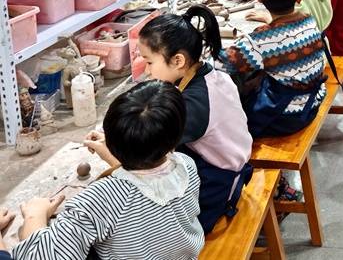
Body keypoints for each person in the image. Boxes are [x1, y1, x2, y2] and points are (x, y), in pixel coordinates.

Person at [12, 82, 205, 260]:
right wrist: (121, 155)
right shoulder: (186, 166)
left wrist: (35, 215)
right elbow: (148, 184)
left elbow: (42, 256)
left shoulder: (101, 199)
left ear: (111, 138)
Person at [138, 5, 253, 234]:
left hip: (217, 186)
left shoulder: (193, 105)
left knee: (145, 225)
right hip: (231, 164)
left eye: (149, 62)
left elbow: (148, 150)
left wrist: (111, 153)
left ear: (178, 60)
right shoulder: (213, 74)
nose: (147, 71)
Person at [222, 0, 328, 137]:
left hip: (284, 117)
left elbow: (221, 63)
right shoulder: (309, 21)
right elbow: (284, 36)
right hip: (312, 102)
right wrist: (270, 21)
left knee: (225, 102)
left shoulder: (260, 40)